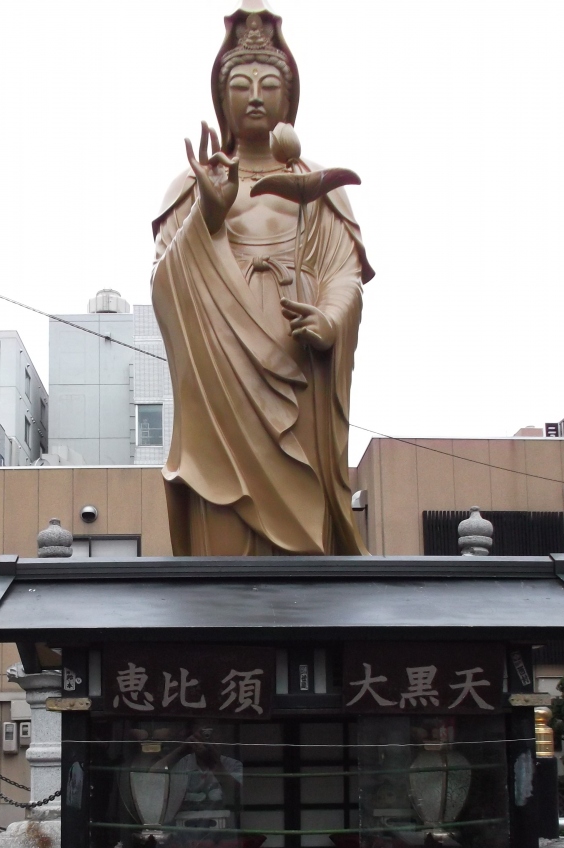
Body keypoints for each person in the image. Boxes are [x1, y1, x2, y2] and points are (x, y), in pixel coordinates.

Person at [151, 6, 372, 556]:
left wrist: (330, 320)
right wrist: (206, 215)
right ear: (221, 98)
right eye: (241, 86)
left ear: (288, 100)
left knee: (304, 546)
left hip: (300, 368)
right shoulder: (194, 184)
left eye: (269, 86)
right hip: (224, 386)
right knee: (226, 548)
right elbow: (164, 281)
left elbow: (344, 272)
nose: (255, 97)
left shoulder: (316, 186)